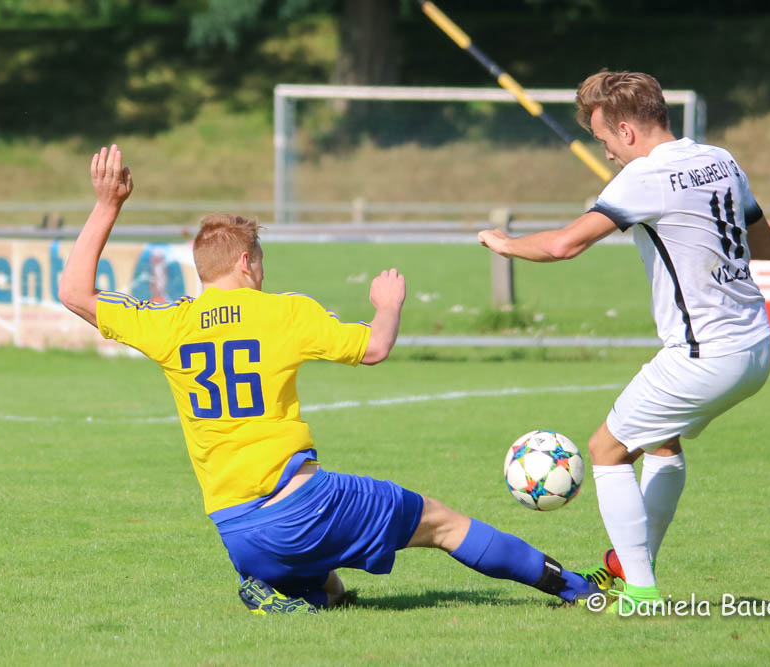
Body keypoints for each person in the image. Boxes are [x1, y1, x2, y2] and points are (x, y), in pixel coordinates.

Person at [59, 144, 606, 614]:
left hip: (238, 533)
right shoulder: (283, 312)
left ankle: (281, 588)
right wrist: (387, 304)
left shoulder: (170, 324)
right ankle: (578, 588)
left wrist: (108, 204)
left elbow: (74, 293)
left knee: (333, 588)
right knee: (441, 523)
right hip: (305, 507)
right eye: (260, 260)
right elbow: (375, 348)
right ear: (246, 262)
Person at [478, 71, 770, 611]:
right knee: (661, 442)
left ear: (626, 130)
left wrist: (504, 244)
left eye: (604, 140)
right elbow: (767, 245)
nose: (608, 154)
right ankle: (627, 566)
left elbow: (565, 245)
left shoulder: (644, 176)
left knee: (606, 450)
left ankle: (639, 591)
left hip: (704, 353)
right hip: (755, 345)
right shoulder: (720, 160)